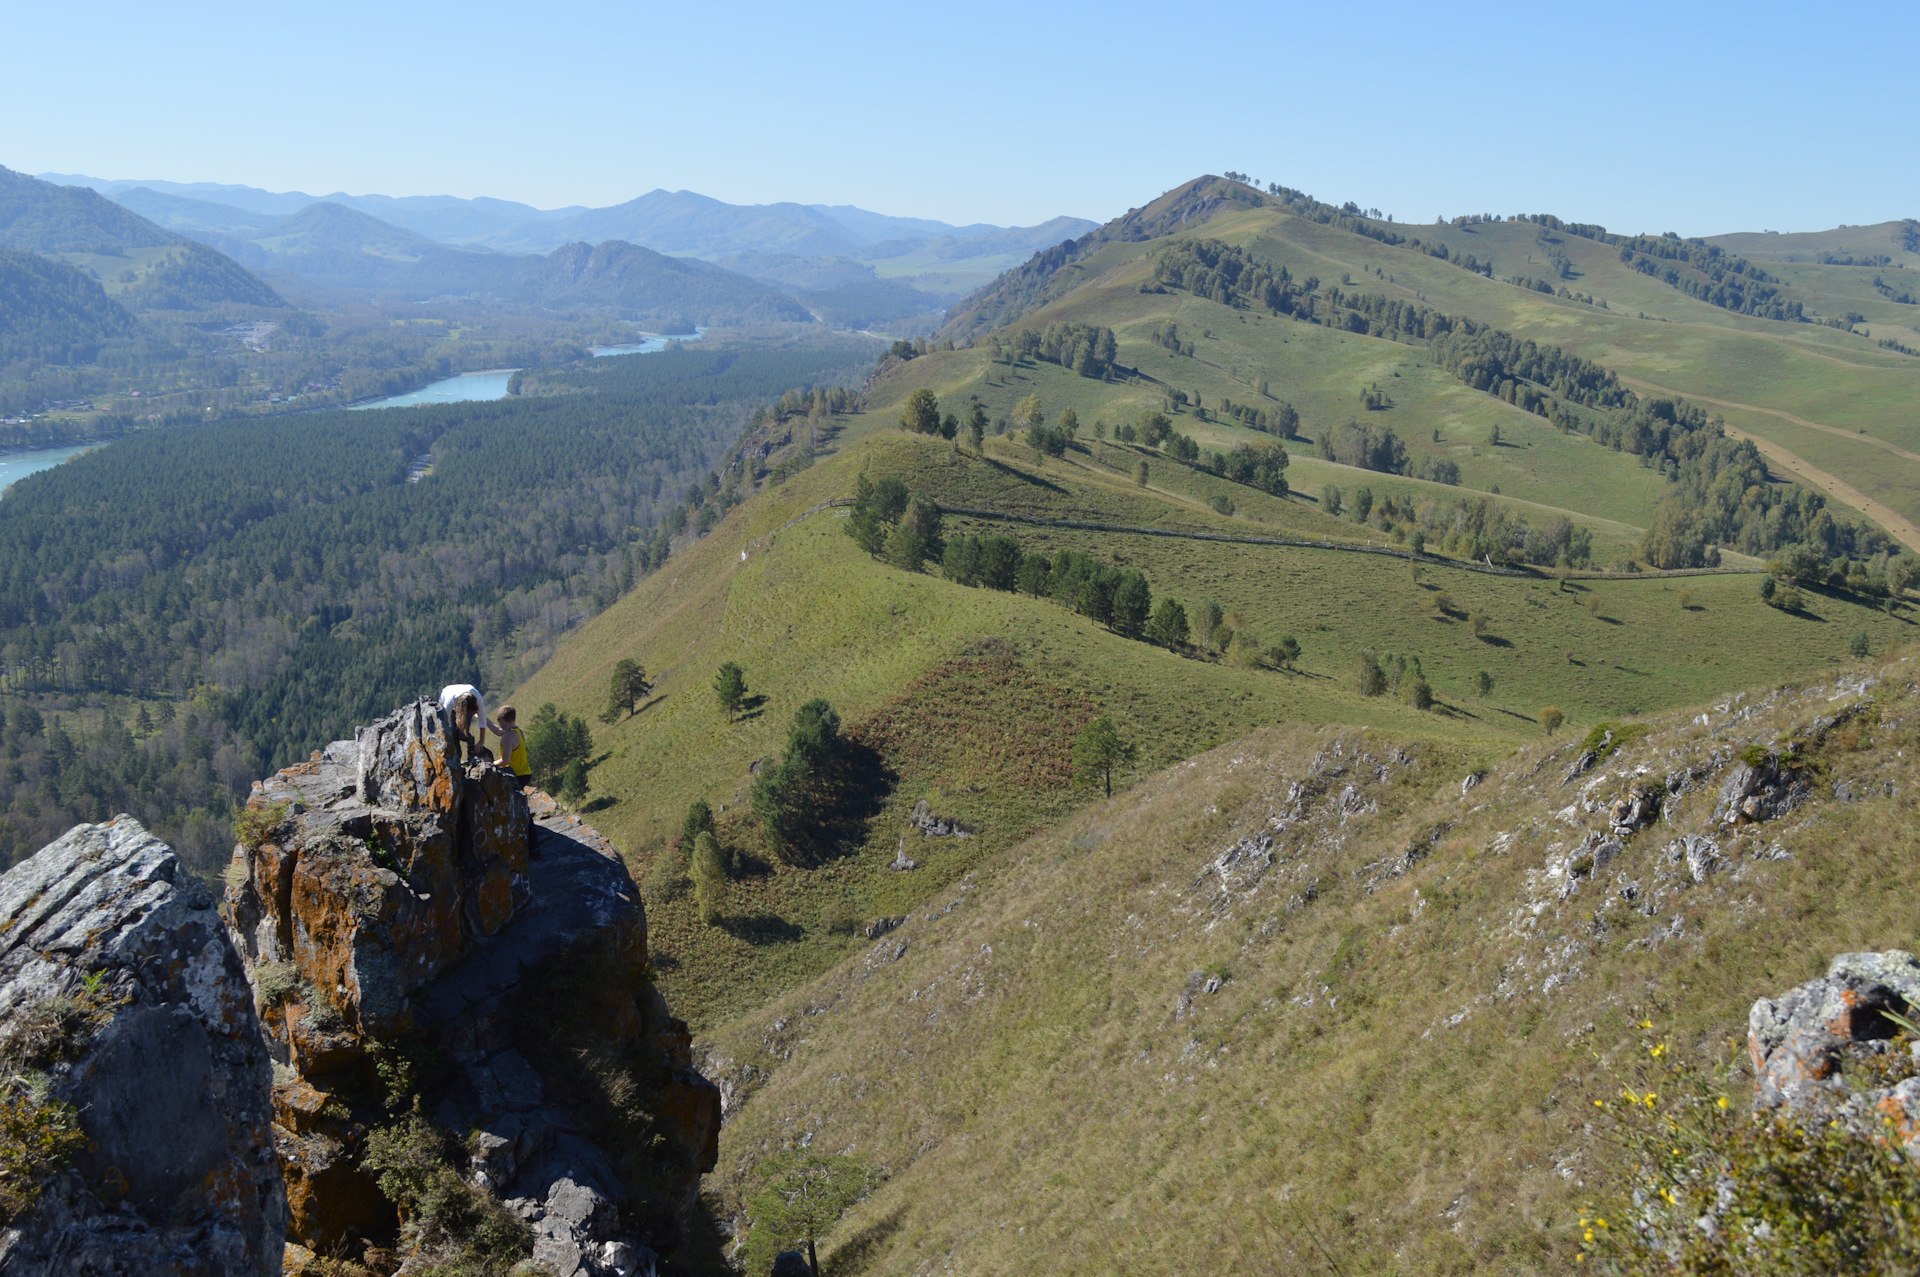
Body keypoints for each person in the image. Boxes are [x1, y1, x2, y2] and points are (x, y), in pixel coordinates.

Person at [438, 682, 493, 764]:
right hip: (451, 708)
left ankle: (471, 754)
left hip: (465, 704)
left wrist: (481, 741)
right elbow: (445, 722)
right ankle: (457, 758)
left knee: (463, 733)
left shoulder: (477, 698)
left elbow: (482, 720)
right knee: (453, 733)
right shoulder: (449, 701)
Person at [494, 705, 531, 789]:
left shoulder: (508, 736)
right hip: (525, 773)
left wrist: (490, 764)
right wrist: (483, 718)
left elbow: (505, 761)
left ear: (502, 720)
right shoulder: (518, 731)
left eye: (498, 720)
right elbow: (498, 731)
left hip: (516, 775)